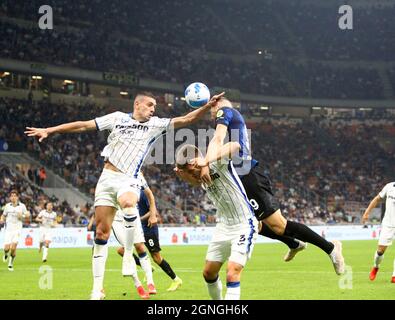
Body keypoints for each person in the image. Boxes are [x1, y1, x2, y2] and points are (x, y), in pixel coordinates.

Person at [25, 91, 224, 300]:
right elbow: (83, 125)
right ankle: (97, 289)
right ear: (137, 104)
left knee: (129, 202)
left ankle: (128, 255)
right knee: (101, 234)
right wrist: (49, 130)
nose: (153, 109)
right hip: (106, 178)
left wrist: (207, 106)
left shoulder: (154, 125)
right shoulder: (117, 118)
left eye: (154, 106)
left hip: (129, 178)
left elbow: (186, 119)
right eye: (150, 105)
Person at [193, 97, 344, 274]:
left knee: (279, 225)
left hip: (247, 176)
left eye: (211, 108)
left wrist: (205, 163)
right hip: (238, 178)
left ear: (217, 104)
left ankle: (332, 249)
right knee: (254, 225)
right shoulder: (231, 119)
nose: (211, 113)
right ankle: (294, 243)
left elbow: (217, 139)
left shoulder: (224, 111)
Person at [175, 143, 258, 300]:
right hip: (223, 226)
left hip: (243, 224)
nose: (191, 175)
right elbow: (196, 182)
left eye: (189, 170)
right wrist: (184, 175)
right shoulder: (198, 175)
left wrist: (207, 161)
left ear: (194, 162)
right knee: (208, 272)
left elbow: (235, 145)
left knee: (232, 271)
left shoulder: (216, 162)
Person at [119, 172, 183, 292]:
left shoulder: (142, 193)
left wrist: (138, 219)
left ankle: (176, 279)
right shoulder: (128, 193)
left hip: (148, 228)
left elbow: (152, 210)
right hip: (137, 228)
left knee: (157, 257)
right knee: (122, 250)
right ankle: (146, 267)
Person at [362, 182, 395, 283]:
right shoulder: (389, 186)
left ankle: (394, 275)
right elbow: (377, 199)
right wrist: (367, 212)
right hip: (388, 224)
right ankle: (376, 267)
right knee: (380, 251)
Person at [1, 190, 30, 271]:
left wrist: (23, 216)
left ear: (17, 197)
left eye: (15, 196)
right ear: (10, 197)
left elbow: (27, 215)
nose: (13, 197)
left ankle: (10, 263)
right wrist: (1, 219)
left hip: (17, 230)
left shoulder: (22, 206)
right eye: (12, 196)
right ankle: (6, 254)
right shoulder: (7, 206)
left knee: (13, 248)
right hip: (8, 230)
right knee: (6, 248)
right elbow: (3, 215)